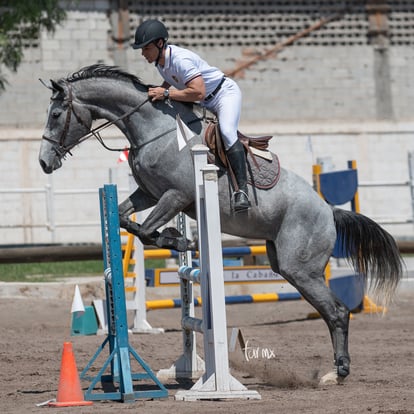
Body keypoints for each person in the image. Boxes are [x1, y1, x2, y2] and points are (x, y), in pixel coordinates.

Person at [132, 19, 250, 212]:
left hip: (223, 95)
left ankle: (242, 191)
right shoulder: (161, 62)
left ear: (160, 44)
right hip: (204, 100)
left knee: (228, 132)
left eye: (146, 48)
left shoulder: (180, 59)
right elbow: (172, 78)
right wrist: (162, 88)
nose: (143, 53)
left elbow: (199, 92)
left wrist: (166, 93)